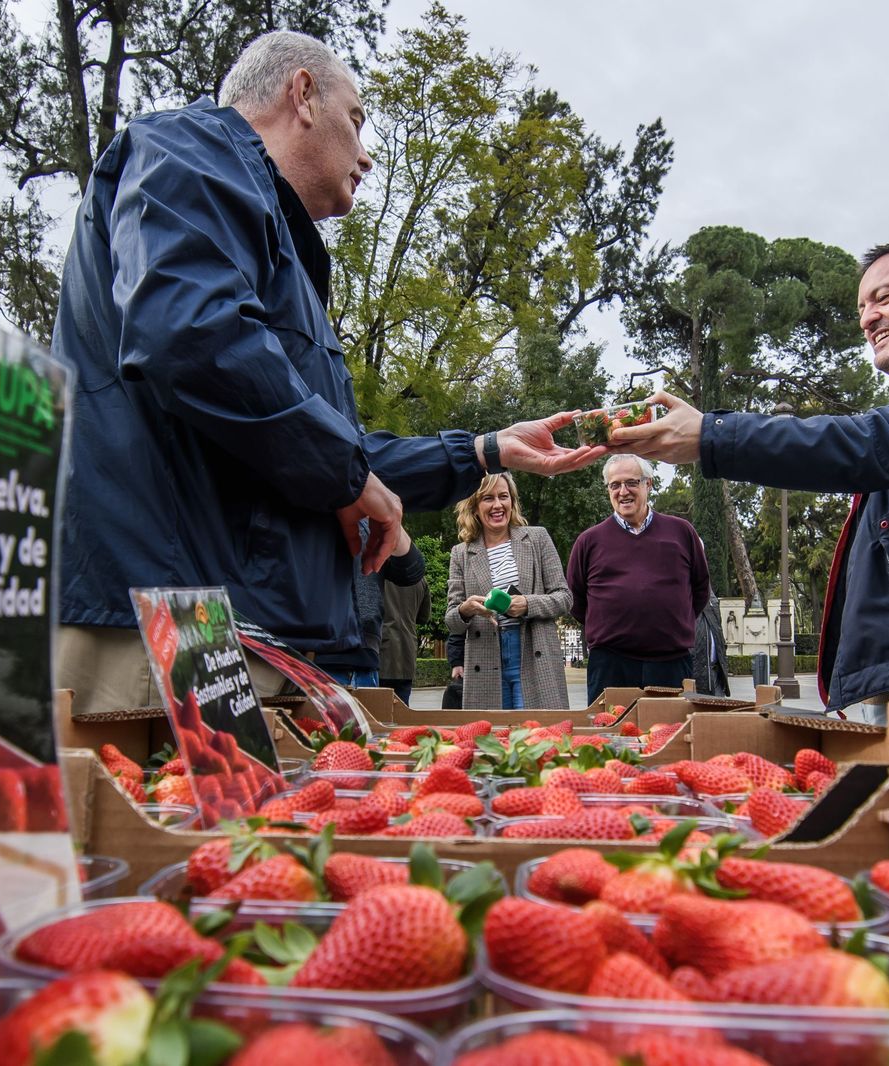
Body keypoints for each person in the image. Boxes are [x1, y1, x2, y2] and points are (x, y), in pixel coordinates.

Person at [47, 30, 592, 715]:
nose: (366, 155)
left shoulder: (276, 246)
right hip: (168, 621)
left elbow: (327, 444)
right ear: (301, 94)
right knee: (167, 822)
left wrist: (484, 451)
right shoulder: (190, 149)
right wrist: (349, 474)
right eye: (357, 121)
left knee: (245, 827)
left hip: (244, 630)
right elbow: (187, 334)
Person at [608, 236, 889, 750]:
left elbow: (874, 445)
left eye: (884, 297)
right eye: (862, 307)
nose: (867, 318)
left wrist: (714, 435)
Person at [565, 454, 712, 705]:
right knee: (609, 738)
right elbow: (575, 600)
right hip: (610, 664)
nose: (623, 492)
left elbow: (699, 590)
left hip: (671, 663)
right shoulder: (589, 541)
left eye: (631, 482)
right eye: (615, 485)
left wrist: (671, 620)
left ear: (648, 484)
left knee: (669, 735)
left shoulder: (681, 532)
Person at [446, 473, 572, 709]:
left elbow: (564, 598)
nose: (497, 505)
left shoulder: (537, 538)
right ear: (474, 506)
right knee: (492, 740)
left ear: (512, 502)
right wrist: (466, 609)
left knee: (537, 737)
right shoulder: (460, 553)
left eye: (503, 496)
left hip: (533, 652)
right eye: (487, 498)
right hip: (484, 658)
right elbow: (452, 620)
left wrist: (527, 604)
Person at [316, 524, 424, 690]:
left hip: (363, 656)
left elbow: (412, 570)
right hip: (312, 655)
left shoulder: (369, 520)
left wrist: (390, 518)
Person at [376, 556, 432, 704]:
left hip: (380, 652)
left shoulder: (376, 572)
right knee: (402, 713)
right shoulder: (420, 580)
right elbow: (424, 617)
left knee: (376, 713)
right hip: (407, 651)